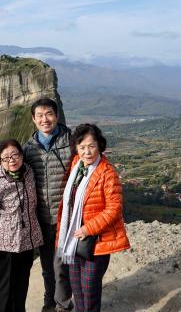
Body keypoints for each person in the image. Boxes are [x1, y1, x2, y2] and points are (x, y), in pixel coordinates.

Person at [55, 123, 130, 312]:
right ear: (76, 148)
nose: (87, 152)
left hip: (95, 241)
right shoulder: (76, 165)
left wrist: (88, 228)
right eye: (82, 147)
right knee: (77, 289)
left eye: (91, 146)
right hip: (72, 238)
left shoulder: (107, 172)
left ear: (99, 145)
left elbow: (114, 209)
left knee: (90, 290)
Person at [22, 98, 74, 312]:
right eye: (40, 115)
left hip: (67, 217)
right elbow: (14, 174)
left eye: (49, 114)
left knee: (64, 265)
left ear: (57, 115)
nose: (45, 119)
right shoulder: (28, 149)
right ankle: (49, 302)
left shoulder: (71, 141)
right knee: (46, 267)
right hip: (42, 218)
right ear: (34, 119)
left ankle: (63, 303)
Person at [0, 139, 44, 312]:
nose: (12, 160)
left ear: (22, 155)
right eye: (6, 158)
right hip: (6, 244)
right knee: (5, 287)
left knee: (22, 284)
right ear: (0, 162)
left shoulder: (29, 172)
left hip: (26, 241)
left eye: (15, 155)